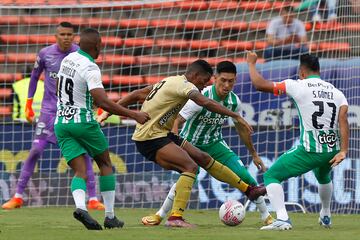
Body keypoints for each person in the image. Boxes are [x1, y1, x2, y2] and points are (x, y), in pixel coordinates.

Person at [98, 59, 267, 228]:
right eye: (203, 81)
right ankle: (175, 218)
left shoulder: (169, 81)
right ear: (195, 75)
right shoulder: (187, 86)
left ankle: (249, 190)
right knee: (190, 167)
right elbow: (205, 102)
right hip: (150, 138)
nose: (203, 86)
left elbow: (137, 94)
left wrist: (108, 111)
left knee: (204, 158)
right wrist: (235, 115)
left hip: (163, 133)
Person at [2, 22, 105, 211]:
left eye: (69, 34)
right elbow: (34, 77)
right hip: (49, 111)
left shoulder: (80, 55)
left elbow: (91, 82)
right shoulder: (45, 54)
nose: (66, 37)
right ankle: (17, 196)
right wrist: (28, 104)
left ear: (74, 37)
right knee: (35, 151)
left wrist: (97, 107)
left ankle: (92, 198)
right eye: (62, 34)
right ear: (56, 36)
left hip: (72, 112)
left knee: (84, 155)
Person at [54, 28, 150, 230]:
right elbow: (102, 102)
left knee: (80, 170)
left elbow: (57, 86)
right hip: (83, 122)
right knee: (105, 163)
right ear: (98, 46)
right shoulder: (91, 68)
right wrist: (134, 114)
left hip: (61, 122)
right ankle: (110, 216)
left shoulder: (68, 59)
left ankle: (81, 207)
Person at [246, 51, 349, 230]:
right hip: (332, 150)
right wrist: (344, 151)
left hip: (310, 150)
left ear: (302, 72)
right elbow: (343, 120)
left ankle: (283, 219)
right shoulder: (337, 92)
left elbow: (259, 84)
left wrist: (251, 64)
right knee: (323, 176)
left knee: (272, 175)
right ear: (319, 70)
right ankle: (325, 213)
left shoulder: (298, 85)